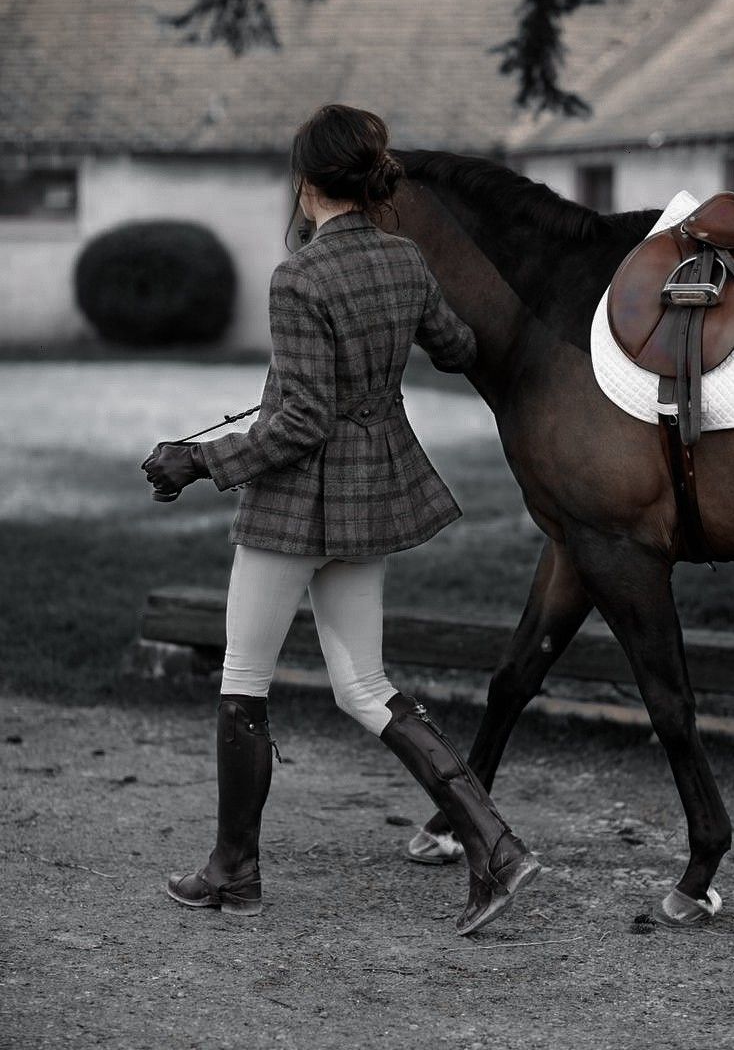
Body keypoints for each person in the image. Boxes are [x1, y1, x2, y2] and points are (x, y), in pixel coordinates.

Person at [141, 104, 540, 936]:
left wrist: (197, 461)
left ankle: (233, 871)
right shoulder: (403, 258)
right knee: (365, 686)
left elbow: (297, 427)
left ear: (306, 181)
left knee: (244, 681)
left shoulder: (300, 276)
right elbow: (459, 346)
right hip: (370, 497)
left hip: (294, 508)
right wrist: (399, 339)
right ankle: (494, 846)